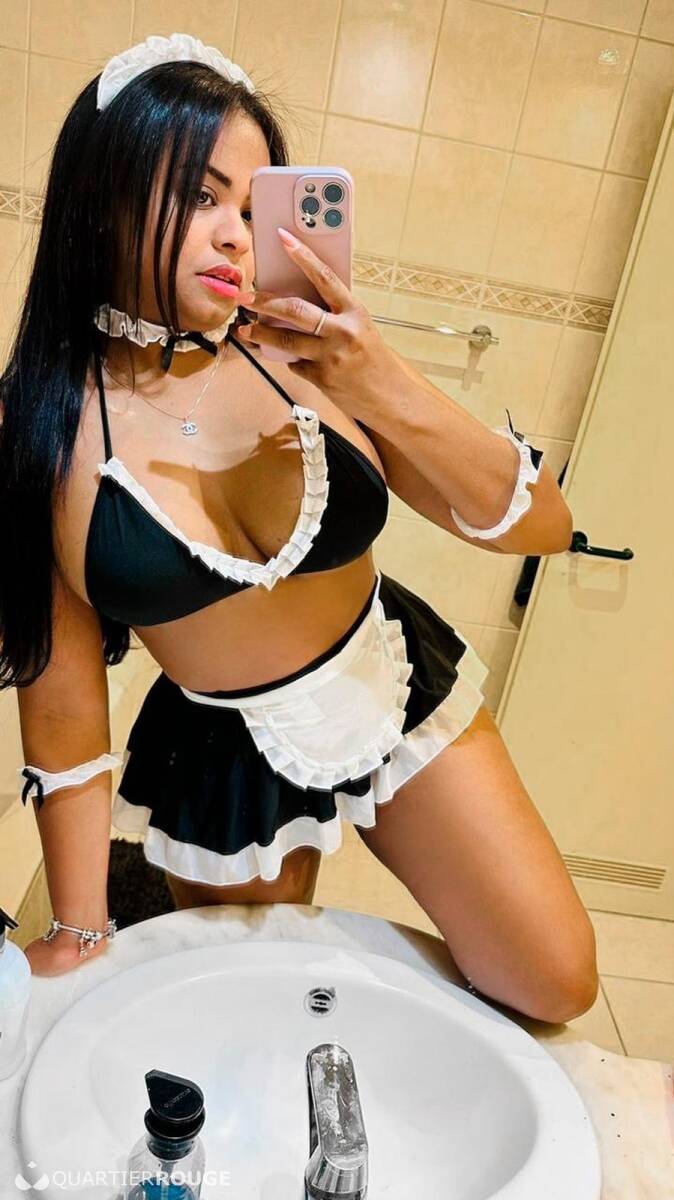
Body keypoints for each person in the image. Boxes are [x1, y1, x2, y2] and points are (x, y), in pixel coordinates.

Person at [0, 33, 598, 1022]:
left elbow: (539, 527)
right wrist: (80, 927)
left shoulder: (306, 350)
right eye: (200, 196)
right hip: (221, 748)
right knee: (264, 1016)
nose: (235, 235)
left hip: (389, 675)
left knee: (553, 979)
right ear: (103, 195)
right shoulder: (40, 428)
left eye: (252, 206)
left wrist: (379, 379)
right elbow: (63, 708)